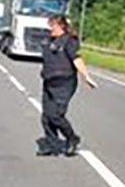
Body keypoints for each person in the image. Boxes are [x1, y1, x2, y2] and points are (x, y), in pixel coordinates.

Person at [36, 14, 97, 157]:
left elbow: (77, 60)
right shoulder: (49, 41)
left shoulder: (69, 42)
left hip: (64, 83)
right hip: (49, 82)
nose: (51, 28)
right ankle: (51, 145)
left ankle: (72, 138)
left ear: (62, 26)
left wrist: (86, 77)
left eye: (53, 25)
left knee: (56, 115)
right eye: (50, 25)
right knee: (46, 116)